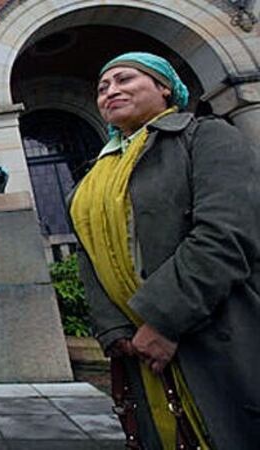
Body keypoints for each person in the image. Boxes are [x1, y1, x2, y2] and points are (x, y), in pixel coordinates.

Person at [69, 51, 260, 449]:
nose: (111, 91)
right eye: (103, 87)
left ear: (164, 87)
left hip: (218, 333)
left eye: (125, 79)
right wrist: (116, 331)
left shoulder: (206, 136)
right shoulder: (92, 177)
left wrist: (163, 321)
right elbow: (87, 257)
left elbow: (225, 234)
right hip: (140, 352)